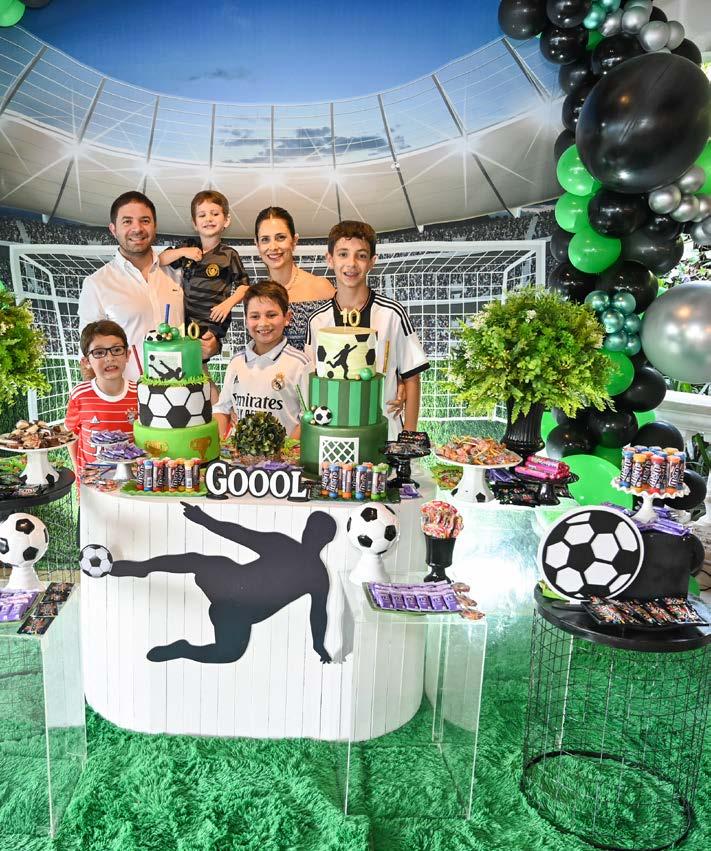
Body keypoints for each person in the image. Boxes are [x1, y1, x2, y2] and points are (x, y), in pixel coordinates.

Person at [305, 220, 429, 439]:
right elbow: (312, 379)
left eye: (361, 255)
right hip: (333, 434)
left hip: (385, 433)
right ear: (330, 259)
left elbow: (411, 377)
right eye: (343, 254)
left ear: (372, 261)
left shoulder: (392, 314)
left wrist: (409, 438)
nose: (351, 263)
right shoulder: (317, 321)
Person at [78, 191, 217, 382]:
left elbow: (202, 315)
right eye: (127, 221)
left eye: (145, 221)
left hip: (182, 389)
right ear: (113, 229)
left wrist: (213, 344)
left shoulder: (179, 272)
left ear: (155, 226)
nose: (137, 228)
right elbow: (88, 354)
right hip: (130, 396)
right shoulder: (97, 284)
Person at [213, 281, 310, 440]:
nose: (263, 323)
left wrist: (286, 451)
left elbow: (308, 418)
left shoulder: (300, 364)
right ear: (246, 320)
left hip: (284, 455)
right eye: (255, 316)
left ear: (287, 318)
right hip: (240, 453)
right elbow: (222, 409)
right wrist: (221, 445)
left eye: (271, 315)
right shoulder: (236, 362)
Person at [159, 190, 250, 340]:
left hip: (212, 324)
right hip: (185, 324)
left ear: (226, 220)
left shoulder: (229, 255)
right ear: (194, 223)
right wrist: (182, 252)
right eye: (202, 215)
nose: (208, 219)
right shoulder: (187, 247)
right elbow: (161, 260)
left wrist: (228, 304)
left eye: (215, 214)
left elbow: (244, 286)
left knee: (205, 351)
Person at [64, 320, 138, 477]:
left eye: (116, 350)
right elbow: (70, 436)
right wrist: (77, 470)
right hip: (92, 485)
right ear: (86, 362)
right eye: (99, 353)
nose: (109, 358)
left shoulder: (140, 393)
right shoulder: (79, 395)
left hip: (131, 483)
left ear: (127, 355)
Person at [254, 206, 334, 349]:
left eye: (280, 237)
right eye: (265, 239)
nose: (273, 247)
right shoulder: (255, 295)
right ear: (257, 244)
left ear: (294, 241)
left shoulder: (321, 287)